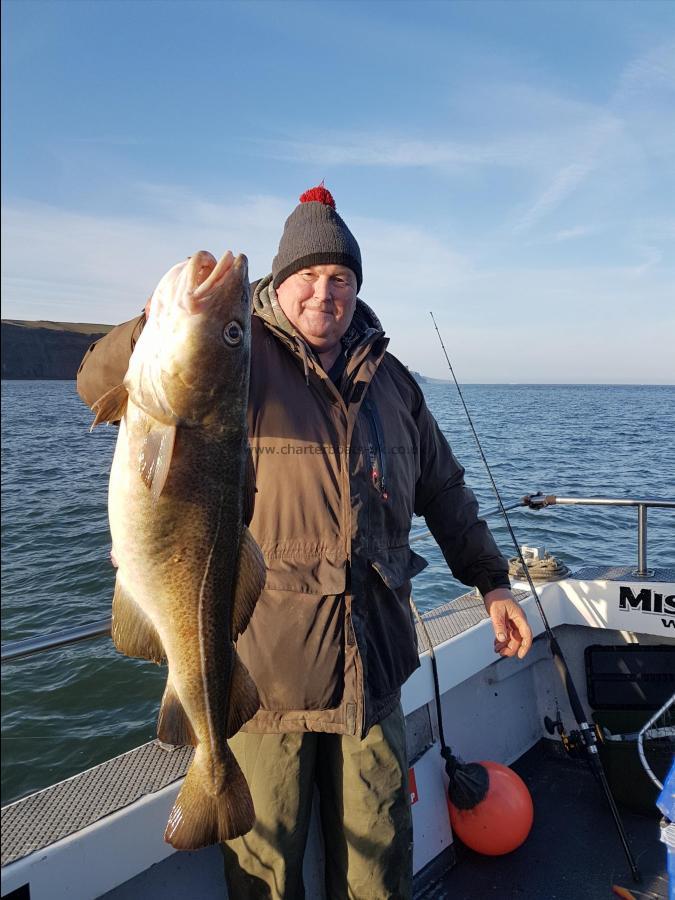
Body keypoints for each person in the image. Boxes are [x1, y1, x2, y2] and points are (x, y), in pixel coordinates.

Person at [77, 184, 532, 900]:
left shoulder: (395, 383)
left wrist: (492, 582)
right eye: (308, 277)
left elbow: (443, 491)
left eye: (340, 279)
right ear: (279, 285)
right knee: (266, 873)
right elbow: (97, 384)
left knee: (379, 861)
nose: (325, 293)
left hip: (372, 671)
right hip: (263, 679)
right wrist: (155, 330)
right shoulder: (238, 359)